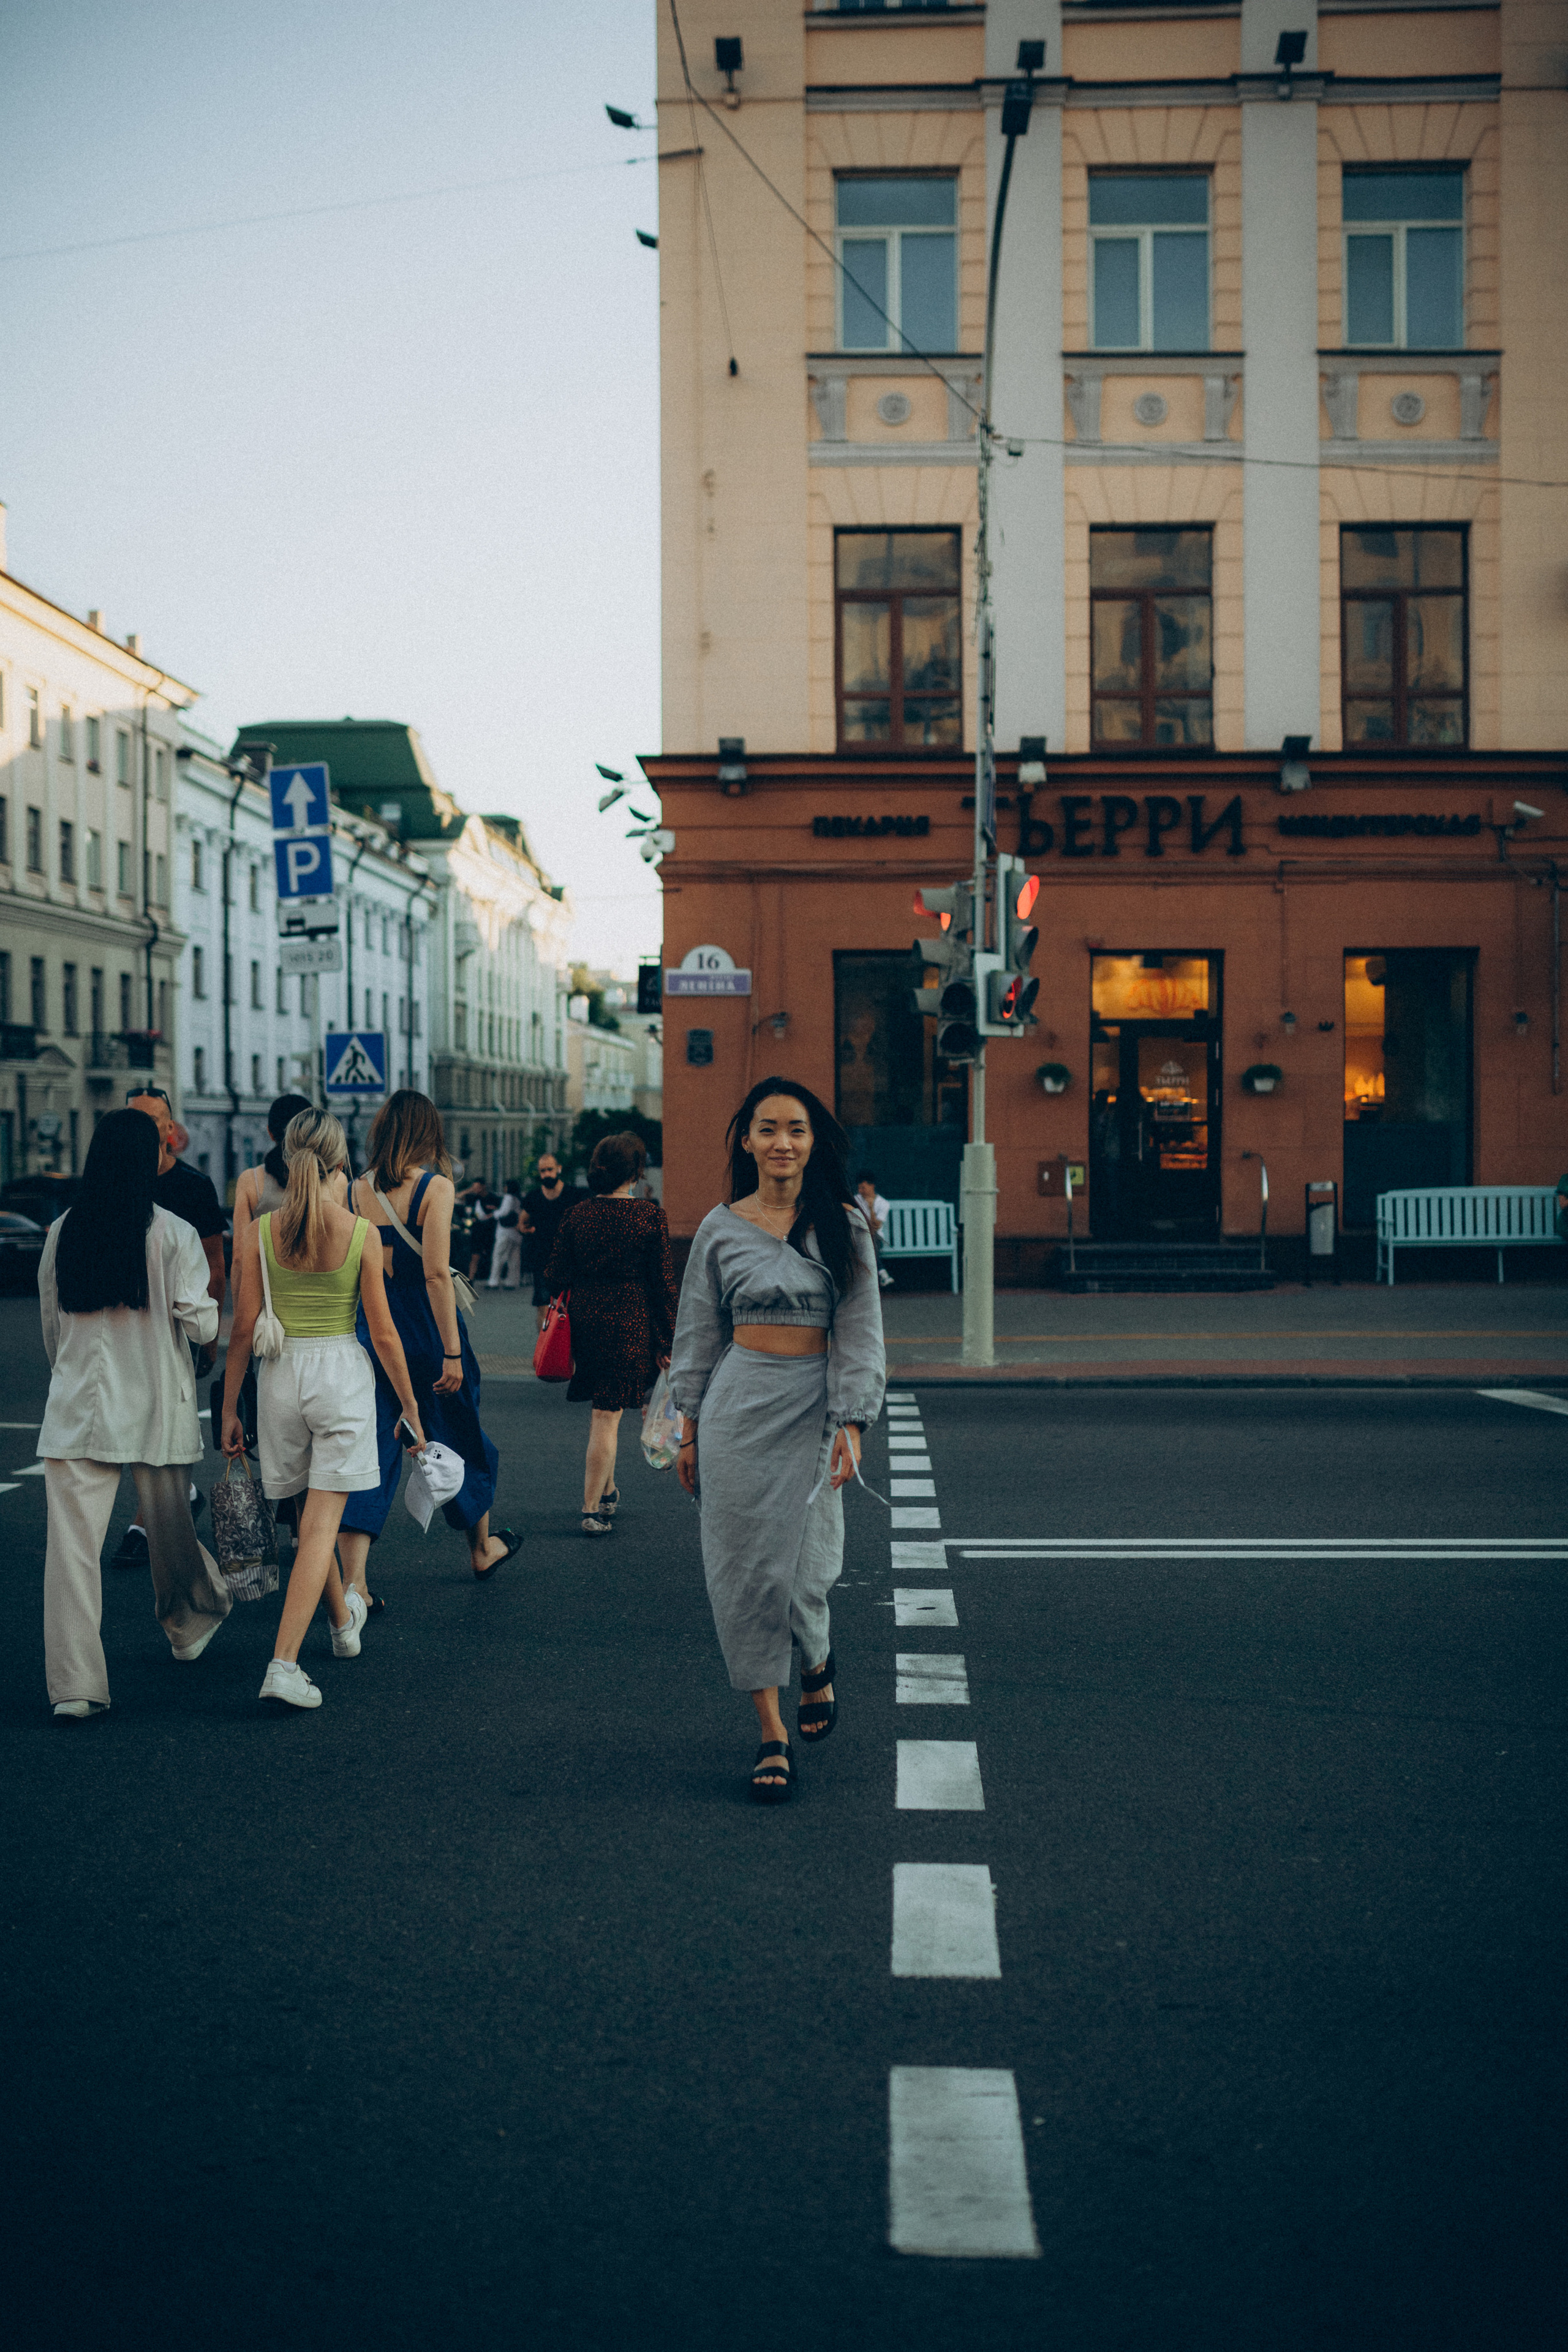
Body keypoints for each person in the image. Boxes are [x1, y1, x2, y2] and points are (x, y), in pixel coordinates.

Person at [669, 1079, 885, 1804]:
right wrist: (688, 1430)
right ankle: (770, 1734)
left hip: (815, 1406)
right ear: (745, 1140)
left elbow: (859, 1332)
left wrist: (852, 1420)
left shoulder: (844, 1224)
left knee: (805, 1571)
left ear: (812, 1141)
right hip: (736, 1409)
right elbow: (697, 1334)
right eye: (767, 1129)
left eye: (795, 1129)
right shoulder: (718, 1228)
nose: (781, 1142)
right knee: (741, 1577)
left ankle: (816, 1657)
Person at [221, 1107, 424, 1711]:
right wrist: (409, 1404)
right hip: (339, 1376)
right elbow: (383, 1334)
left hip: (279, 1380)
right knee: (320, 1525)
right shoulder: (362, 1234)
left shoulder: (262, 1231)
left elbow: (244, 1326)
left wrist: (230, 1407)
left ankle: (341, 1628)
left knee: (311, 1515)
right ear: (341, 1163)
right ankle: (283, 1665)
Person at [39, 1110, 232, 1719]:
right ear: (151, 1158)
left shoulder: (64, 1229)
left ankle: (75, 1687)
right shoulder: (170, 1232)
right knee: (171, 1533)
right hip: (154, 1403)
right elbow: (198, 1318)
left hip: (77, 1407)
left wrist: (68, 1371)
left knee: (70, 1552)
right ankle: (190, 1620)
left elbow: (52, 1322)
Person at [334, 1091, 521, 1598]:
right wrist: (453, 1351)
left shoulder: (353, 1192)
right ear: (427, 1133)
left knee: (370, 1451)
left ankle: (357, 1584)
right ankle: (481, 1550)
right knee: (460, 1433)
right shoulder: (436, 1188)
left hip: (370, 1331)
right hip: (425, 1330)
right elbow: (437, 1275)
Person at [110, 1087, 227, 1569]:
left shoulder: (194, 1188)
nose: (145, 1129)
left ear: (172, 1131)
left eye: (154, 1120)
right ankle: (184, 1495)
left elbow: (216, 1266)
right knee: (133, 1419)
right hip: (124, 1323)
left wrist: (211, 1334)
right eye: (135, 1119)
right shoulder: (112, 1184)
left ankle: (144, 1521)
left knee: (164, 1419)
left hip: (179, 1321)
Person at [544, 1132, 677, 1537]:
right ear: (635, 1173)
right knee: (607, 1414)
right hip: (631, 1320)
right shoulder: (649, 1216)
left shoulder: (577, 1215)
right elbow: (664, 1284)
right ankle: (590, 1509)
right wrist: (668, 1341)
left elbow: (554, 1276)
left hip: (586, 1319)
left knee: (608, 1410)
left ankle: (609, 1491)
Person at [520, 1152, 576, 1332]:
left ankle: (567, 1351)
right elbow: (522, 1222)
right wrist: (527, 1229)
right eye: (543, 1171)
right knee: (543, 1304)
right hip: (542, 1259)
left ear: (559, 1169)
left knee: (570, 1306)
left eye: (550, 1169)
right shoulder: (534, 1197)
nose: (546, 1174)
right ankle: (544, 1350)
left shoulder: (571, 1195)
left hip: (568, 1259)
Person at [855, 1169, 894, 1289]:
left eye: (863, 1188)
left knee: (871, 1240)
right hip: (858, 1235)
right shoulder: (855, 1200)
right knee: (866, 1242)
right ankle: (883, 1273)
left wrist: (871, 1208)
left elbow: (876, 1226)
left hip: (875, 1238)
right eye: (859, 1188)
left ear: (872, 1186)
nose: (860, 1191)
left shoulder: (883, 1203)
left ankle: (880, 1274)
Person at [488, 1178, 524, 1290]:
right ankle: (512, 1281)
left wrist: (495, 1213)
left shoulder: (508, 1198)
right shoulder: (518, 1199)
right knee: (514, 1259)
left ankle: (494, 1281)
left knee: (498, 1256)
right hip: (516, 1233)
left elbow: (504, 1212)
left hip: (505, 1232)